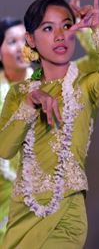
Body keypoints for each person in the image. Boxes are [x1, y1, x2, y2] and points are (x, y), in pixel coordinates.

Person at [0, 0, 99, 248]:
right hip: (23, 211)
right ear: (31, 39)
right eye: (48, 28)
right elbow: (4, 148)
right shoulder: (19, 93)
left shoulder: (86, 85)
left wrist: (97, 28)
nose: (60, 35)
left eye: (66, 26)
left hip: (66, 211)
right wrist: (29, 104)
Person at [0, 17, 32, 242]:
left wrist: (80, 26)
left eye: (25, 39)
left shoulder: (50, 84)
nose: (22, 47)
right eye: (12, 41)